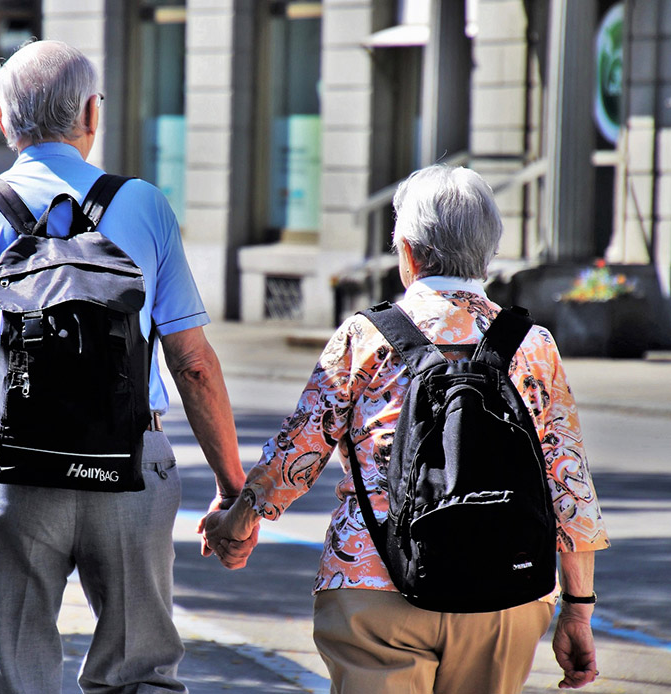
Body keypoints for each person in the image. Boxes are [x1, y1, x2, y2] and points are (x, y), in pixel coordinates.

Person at [0, 39, 249, 694]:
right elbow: (192, 362)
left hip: (12, 476)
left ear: (3, 119)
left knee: (13, 676)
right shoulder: (144, 207)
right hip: (131, 471)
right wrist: (232, 486)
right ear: (91, 113)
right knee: (141, 672)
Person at [202, 164, 610, 693]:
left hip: (374, 583)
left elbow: (297, 452)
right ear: (488, 251)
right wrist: (577, 609)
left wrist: (239, 519)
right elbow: (569, 484)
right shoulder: (534, 345)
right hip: (505, 592)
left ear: (409, 253)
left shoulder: (365, 337)